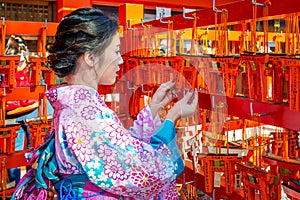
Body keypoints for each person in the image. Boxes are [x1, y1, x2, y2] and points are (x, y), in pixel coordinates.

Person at [12, 7, 198, 199]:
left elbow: (120, 152)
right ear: (90, 57)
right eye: (116, 51)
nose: (120, 59)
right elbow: (142, 170)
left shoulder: (75, 105)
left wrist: (153, 108)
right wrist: (172, 118)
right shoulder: (86, 113)